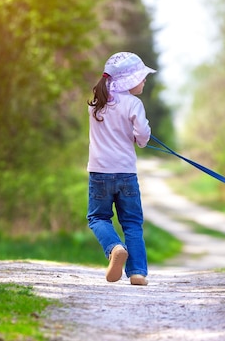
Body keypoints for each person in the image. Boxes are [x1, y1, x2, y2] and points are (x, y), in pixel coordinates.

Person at [86, 52, 156, 286]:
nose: (144, 81)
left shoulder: (96, 104)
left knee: (98, 217)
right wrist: (140, 140)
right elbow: (143, 136)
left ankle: (114, 247)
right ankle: (137, 272)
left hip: (99, 173)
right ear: (128, 80)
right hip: (126, 173)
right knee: (132, 222)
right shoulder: (134, 103)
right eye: (141, 77)